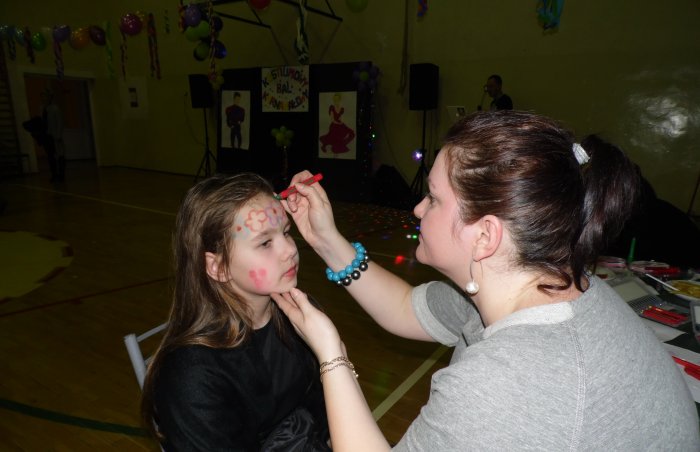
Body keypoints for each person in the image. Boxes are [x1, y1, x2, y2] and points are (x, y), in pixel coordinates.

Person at [272, 111, 700, 450]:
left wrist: (330, 353)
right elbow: (405, 309)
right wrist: (325, 239)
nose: (418, 210)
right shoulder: (538, 281)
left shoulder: (509, 384)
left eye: (433, 198)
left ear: (485, 236)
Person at [140, 173, 330, 451]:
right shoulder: (191, 376)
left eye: (286, 232)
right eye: (265, 243)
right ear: (218, 267)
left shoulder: (300, 316)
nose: (290, 249)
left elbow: (323, 413)